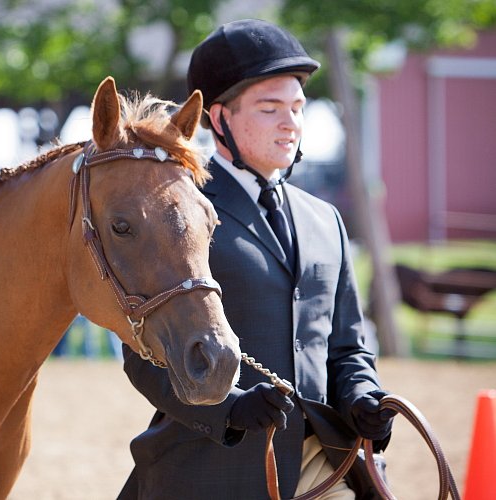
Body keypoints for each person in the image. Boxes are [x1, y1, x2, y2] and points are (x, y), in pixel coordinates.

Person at [119, 19, 394, 499]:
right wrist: (227, 409)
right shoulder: (180, 214)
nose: (291, 123)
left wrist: (360, 399)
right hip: (211, 464)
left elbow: (347, 348)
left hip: (321, 462)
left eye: (297, 107)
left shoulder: (325, 219)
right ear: (219, 118)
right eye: (270, 109)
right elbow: (144, 355)